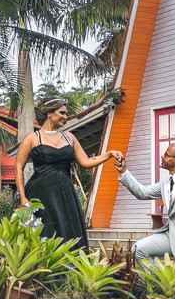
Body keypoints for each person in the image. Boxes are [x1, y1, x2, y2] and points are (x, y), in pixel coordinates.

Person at [14, 97, 122, 251]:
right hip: (40, 194)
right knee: (44, 231)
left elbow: (85, 162)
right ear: (49, 113)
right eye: (62, 113)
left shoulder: (69, 137)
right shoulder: (32, 138)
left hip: (65, 193)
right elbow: (18, 167)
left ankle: (71, 269)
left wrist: (109, 154)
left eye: (66, 113)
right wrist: (23, 197)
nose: (66, 116)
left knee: (68, 230)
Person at [114, 143, 175, 262]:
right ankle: (157, 280)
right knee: (138, 249)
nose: (162, 157)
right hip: (169, 235)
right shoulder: (166, 182)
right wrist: (123, 172)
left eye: (166, 155)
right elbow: (143, 193)